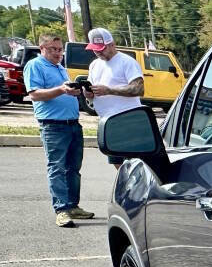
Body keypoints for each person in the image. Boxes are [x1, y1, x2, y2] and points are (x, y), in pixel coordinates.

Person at [23, 33, 92, 228]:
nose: (58, 53)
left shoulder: (60, 67)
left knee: (73, 169)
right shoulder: (35, 66)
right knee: (57, 168)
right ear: (42, 49)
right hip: (53, 125)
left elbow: (64, 90)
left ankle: (72, 206)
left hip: (72, 124)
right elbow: (35, 94)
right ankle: (61, 210)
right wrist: (62, 90)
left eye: (60, 49)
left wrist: (76, 91)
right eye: (53, 49)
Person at [85, 28, 145, 166]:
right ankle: (127, 187)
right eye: (94, 49)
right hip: (108, 122)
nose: (98, 52)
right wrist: (89, 95)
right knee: (117, 163)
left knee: (135, 164)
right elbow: (92, 92)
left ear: (112, 44)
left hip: (128, 122)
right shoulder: (94, 65)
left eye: (101, 48)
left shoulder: (126, 62)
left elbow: (139, 88)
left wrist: (109, 90)